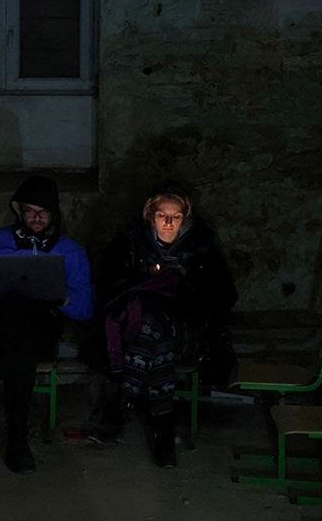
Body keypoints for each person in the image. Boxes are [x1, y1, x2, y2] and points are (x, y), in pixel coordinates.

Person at [0, 175, 93, 473]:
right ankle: (17, 443)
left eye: (43, 212)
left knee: (23, 325)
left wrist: (59, 297)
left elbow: (86, 308)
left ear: (54, 214)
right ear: (18, 211)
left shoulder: (71, 251)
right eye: (30, 211)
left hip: (40, 333)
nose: (36, 218)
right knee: (14, 310)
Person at [89, 189, 237, 467]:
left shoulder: (201, 248)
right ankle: (164, 432)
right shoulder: (131, 243)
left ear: (186, 219)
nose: (169, 223)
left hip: (187, 333)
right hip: (132, 329)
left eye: (176, 217)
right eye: (162, 216)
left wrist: (187, 278)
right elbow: (106, 286)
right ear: (150, 216)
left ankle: (122, 404)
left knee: (154, 331)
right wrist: (144, 277)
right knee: (153, 331)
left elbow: (226, 298)